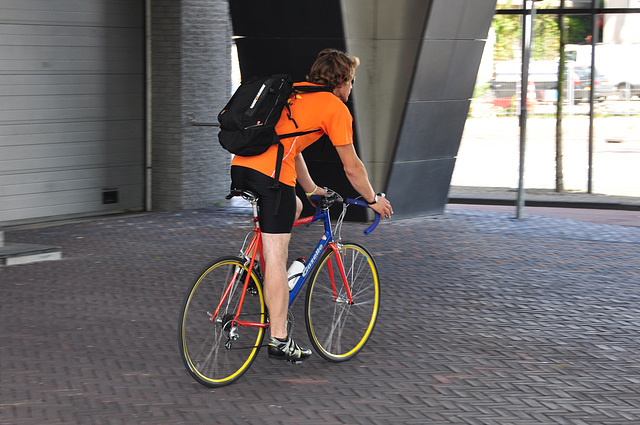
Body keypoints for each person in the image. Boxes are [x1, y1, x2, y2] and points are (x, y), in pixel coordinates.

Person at [230, 48, 394, 362]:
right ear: (342, 81)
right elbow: (352, 166)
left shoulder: (294, 94)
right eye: (352, 81)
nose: (351, 89)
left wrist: (313, 189)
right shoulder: (334, 107)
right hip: (272, 177)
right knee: (277, 258)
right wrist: (373, 200)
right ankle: (279, 340)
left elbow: (291, 147)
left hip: (242, 166)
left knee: (293, 207)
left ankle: (247, 271)